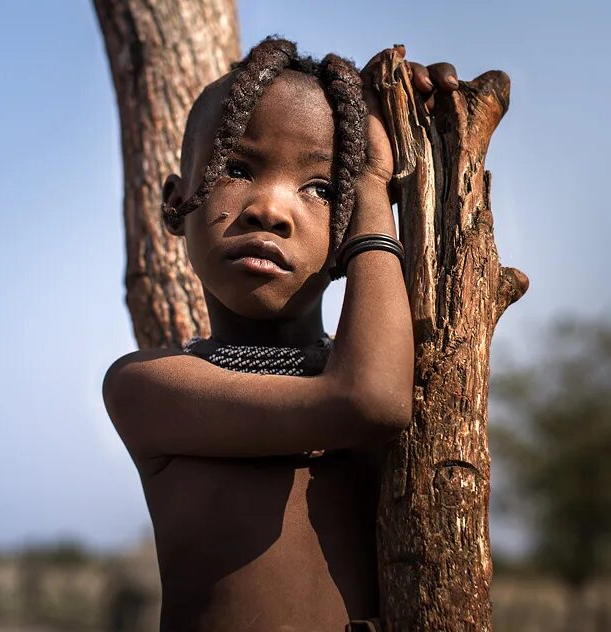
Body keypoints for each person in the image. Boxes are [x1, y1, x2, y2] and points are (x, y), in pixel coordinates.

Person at [103, 36, 460, 631]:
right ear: (176, 202)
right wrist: (369, 184)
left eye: (323, 188)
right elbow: (367, 401)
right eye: (238, 169)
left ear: (346, 228)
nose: (270, 209)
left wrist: (419, 127)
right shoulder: (148, 388)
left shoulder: (412, 367)